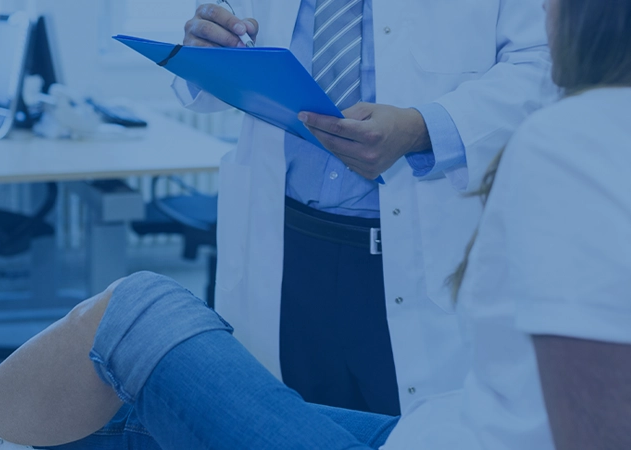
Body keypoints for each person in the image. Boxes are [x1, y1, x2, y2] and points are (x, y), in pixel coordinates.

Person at [0, 0, 631, 448]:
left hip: (419, 318)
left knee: (136, 312)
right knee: (150, 410)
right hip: (424, 407)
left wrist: (427, 124)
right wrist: (210, 44)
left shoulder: (580, 146)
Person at [176, 0, 553, 417]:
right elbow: (228, 43)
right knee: (285, 430)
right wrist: (206, 47)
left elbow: (543, 64)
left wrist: (422, 129)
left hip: (424, 253)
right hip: (280, 245)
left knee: (414, 432)